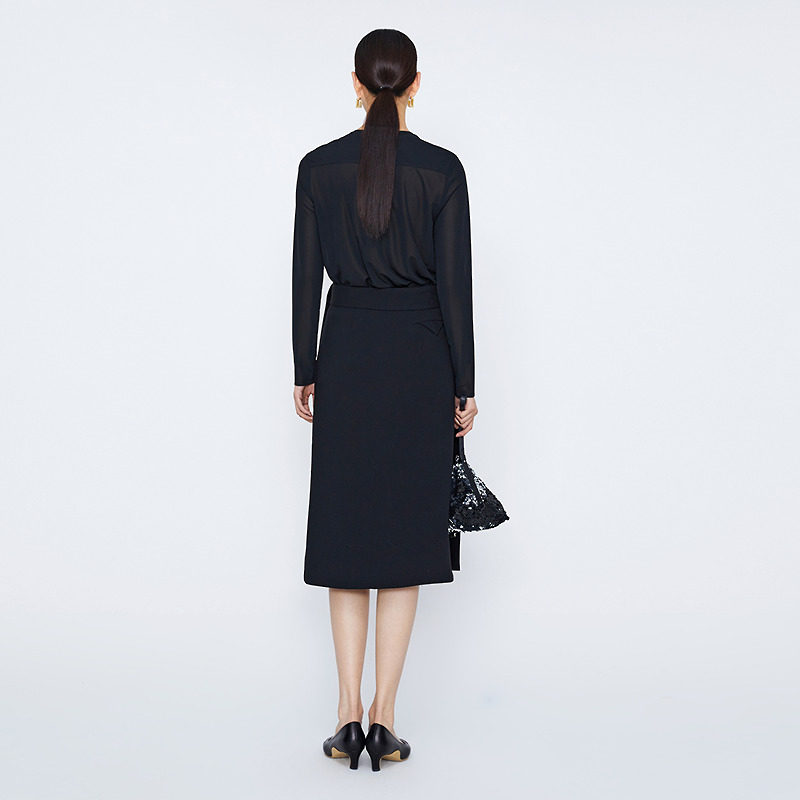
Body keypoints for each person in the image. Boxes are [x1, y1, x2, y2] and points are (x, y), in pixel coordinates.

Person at [291, 28, 478, 771]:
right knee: (403, 539)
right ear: (415, 85)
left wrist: (306, 368)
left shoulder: (317, 168)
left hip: (347, 356)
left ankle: (344, 717)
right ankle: (384, 719)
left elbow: (307, 277)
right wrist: (464, 383)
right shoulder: (442, 170)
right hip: (420, 361)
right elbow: (455, 287)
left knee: (346, 536)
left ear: (356, 84)